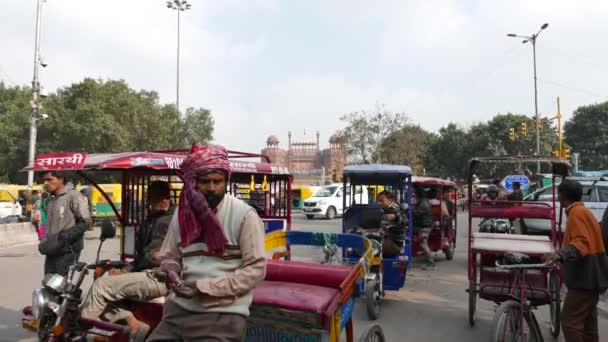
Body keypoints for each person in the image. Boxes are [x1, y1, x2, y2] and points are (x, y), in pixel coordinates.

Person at [148, 144, 266, 342]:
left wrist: (205, 287)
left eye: (217, 181)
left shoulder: (244, 215)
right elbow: (170, 256)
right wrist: (170, 271)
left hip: (223, 313)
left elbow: (255, 270)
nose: (212, 188)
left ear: (226, 181)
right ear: (193, 183)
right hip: (179, 310)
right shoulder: (181, 213)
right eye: (205, 182)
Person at [82, 181, 174, 341]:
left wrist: (126, 269)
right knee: (105, 286)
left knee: (100, 287)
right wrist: (125, 268)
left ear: (164, 200)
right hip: (146, 273)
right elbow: (143, 254)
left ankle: (86, 331)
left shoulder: (168, 221)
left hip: (159, 276)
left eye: (151, 199)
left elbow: (152, 256)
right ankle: (134, 325)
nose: (147, 203)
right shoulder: (153, 219)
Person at [544, 180, 608, 342]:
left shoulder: (576, 213)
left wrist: (561, 254)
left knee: (569, 321)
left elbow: (582, 242)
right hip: (594, 276)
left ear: (562, 195)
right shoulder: (583, 211)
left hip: (585, 279)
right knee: (588, 325)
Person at [38, 172, 91, 276]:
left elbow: (85, 222)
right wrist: (43, 241)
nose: (46, 183)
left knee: (59, 285)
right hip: (52, 249)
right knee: (48, 284)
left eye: (49, 179)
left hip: (68, 251)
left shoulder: (74, 196)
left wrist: (64, 238)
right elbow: (47, 224)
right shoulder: (50, 200)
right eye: (45, 180)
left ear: (60, 179)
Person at [376, 191, 407, 257]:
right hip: (388, 240)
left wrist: (395, 217)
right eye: (378, 201)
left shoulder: (395, 209)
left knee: (373, 246)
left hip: (394, 243)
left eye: (382, 200)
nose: (379, 203)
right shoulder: (384, 209)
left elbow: (405, 222)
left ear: (390, 200)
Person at [413, 186, 436, 270]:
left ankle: (431, 263)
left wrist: (410, 211)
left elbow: (417, 214)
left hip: (425, 226)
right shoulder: (424, 201)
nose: (414, 195)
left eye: (415, 193)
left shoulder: (423, 203)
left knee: (423, 244)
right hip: (424, 225)